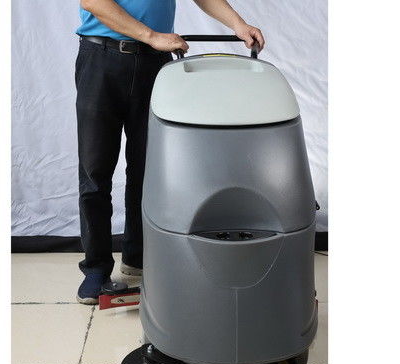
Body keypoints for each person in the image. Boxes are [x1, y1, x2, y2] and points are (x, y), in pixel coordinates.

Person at [75, 0, 265, 304]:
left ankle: (138, 259)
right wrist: (151, 36)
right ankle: (96, 269)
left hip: (154, 62)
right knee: (95, 171)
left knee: (148, 169)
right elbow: (93, 2)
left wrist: (238, 24)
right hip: (102, 58)